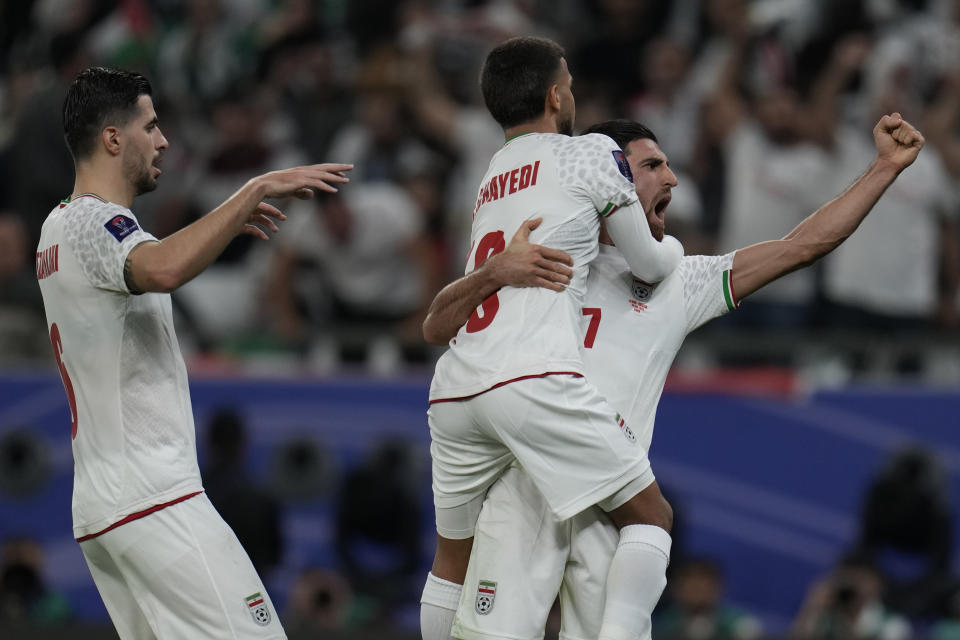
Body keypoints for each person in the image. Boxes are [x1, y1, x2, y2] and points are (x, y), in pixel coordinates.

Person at [422, 113, 924, 639]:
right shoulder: (535, 260)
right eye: (653, 165)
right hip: (525, 487)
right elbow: (438, 325)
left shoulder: (682, 280)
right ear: (613, 175)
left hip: (611, 506)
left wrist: (883, 169)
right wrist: (493, 271)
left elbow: (801, 245)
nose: (672, 178)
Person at [36, 66, 351, 639]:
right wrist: (252, 189)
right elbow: (164, 267)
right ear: (112, 139)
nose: (164, 141)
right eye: (150, 126)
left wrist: (224, 223)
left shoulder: (55, 229)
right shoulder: (91, 220)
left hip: (105, 508)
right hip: (153, 498)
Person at [421, 37, 684, 640]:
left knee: (451, 562)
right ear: (556, 95)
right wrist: (672, 247)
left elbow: (438, 324)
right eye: (568, 81)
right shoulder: (590, 152)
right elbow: (645, 262)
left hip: (457, 388)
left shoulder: (490, 176)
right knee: (651, 517)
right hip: (530, 375)